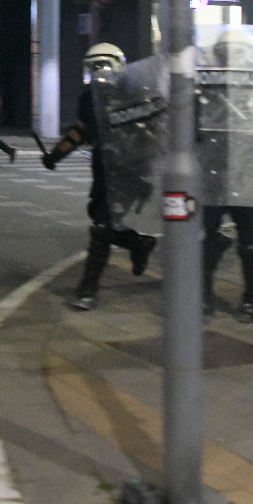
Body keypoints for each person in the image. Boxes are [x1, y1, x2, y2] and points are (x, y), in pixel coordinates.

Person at [42, 43, 158, 311]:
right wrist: (55, 155)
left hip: (130, 169)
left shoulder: (134, 93)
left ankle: (87, 290)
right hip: (104, 169)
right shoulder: (89, 97)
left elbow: (151, 132)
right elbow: (80, 131)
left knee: (102, 229)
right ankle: (140, 243)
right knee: (102, 221)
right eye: (92, 67)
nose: (97, 73)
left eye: (102, 66)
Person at [197, 25, 253, 324]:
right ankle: (203, 296)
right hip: (212, 172)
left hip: (247, 171)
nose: (230, 59)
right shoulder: (205, 86)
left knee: (250, 242)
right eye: (225, 53)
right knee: (205, 238)